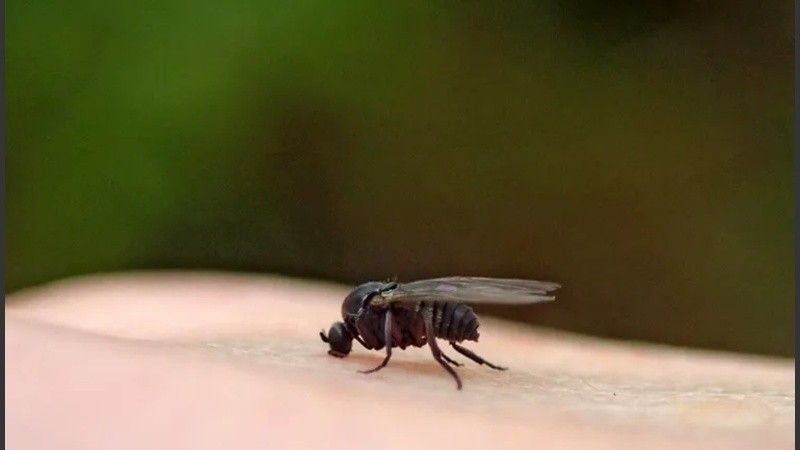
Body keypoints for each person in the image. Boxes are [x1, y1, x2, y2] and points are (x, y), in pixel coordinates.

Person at [5, 272, 793, 449]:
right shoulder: (372, 316)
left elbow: (420, 312)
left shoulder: (387, 316)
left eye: (353, 340)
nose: (354, 343)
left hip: (446, 313)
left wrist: (441, 352)